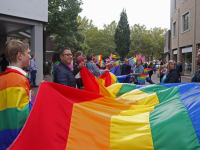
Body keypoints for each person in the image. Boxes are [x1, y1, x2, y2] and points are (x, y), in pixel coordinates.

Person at [0, 40, 33, 149]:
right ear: (20, 55)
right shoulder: (18, 79)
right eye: (28, 53)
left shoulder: (2, 78)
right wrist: (38, 98)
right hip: (14, 140)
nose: (30, 56)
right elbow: (21, 114)